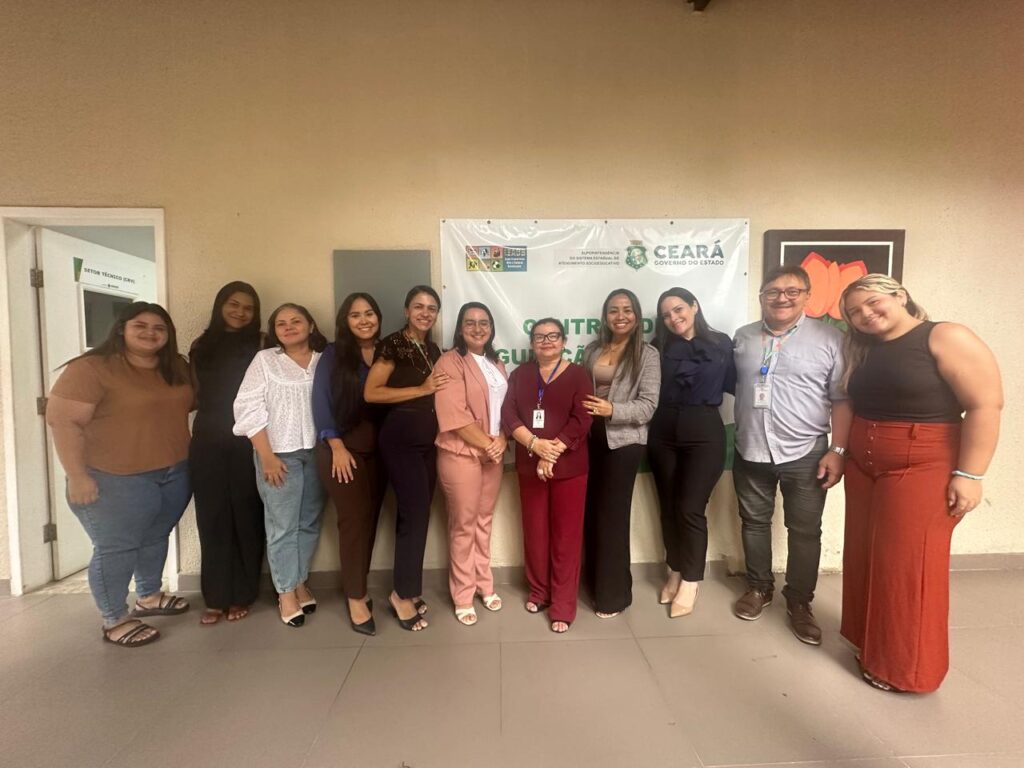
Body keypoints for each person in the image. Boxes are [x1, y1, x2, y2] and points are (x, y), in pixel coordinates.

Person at [839, 274, 1002, 692]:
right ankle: (870, 644)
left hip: (922, 464)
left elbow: (985, 404)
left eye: (873, 303)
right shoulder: (863, 348)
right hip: (865, 465)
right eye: (854, 312)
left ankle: (906, 671)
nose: (865, 314)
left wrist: (970, 475)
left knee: (909, 568)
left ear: (900, 296)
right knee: (866, 556)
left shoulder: (944, 336)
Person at [46, 302, 193, 647]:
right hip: (115, 476)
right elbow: (63, 422)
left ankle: (149, 595)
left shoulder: (175, 366)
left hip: (173, 470)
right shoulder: (91, 368)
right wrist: (77, 476)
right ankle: (114, 618)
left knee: (156, 535)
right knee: (116, 548)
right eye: (140, 325)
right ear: (121, 328)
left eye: (159, 328)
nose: (150, 333)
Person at [731, 265, 852, 645]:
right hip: (750, 447)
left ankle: (800, 601)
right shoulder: (743, 336)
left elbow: (842, 399)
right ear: (761, 296)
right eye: (773, 291)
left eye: (792, 291)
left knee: (804, 530)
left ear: (807, 295)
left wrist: (838, 450)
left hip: (806, 451)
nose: (781, 298)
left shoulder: (830, 339)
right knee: (754, 522)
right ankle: (759, 587)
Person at [233, 303, 327, 628]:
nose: (288, 327)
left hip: (316, 453)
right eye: (281, 323)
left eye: (296, 321)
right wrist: (267, 456)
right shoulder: (265, 360)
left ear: (310, 325)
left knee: (309, 522)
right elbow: (247, 407)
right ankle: (285, 592)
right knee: (282, 526)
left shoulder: (323, 361)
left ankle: (299, 581)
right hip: (278, 456)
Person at [647, 288, 735, 618]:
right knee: (669, 507)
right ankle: (674, 569)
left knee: (690, 508)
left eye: (679, 309)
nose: (673, 318)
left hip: (705, 431)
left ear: (694, 306)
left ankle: (692, 579)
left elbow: (735, 383)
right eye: (666, 315)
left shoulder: (722, 343)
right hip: (663, 430)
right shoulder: (657, 347)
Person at [502, 318, 593, 633]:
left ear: (564, 341)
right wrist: (535, 445)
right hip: (530, 464)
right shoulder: (520, 375)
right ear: (531, 343)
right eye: (539, 336)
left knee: (567, 537)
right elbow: (509, 414)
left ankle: (563, 605)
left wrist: (552, 450)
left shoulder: (579, 375)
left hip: (570, 467)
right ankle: (539, 591)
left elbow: (583, 417)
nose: (546, 341)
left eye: (553, 335)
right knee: (535, 532)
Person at [365, 285, 447, 632]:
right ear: (406, 311)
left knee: (418, 514)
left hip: (428, 441)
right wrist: (421, 389)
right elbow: (371, 392)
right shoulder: (393, 344)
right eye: (418, 306)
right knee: (414, 514)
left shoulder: (432, 348)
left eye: (431, 308)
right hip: (400, 440)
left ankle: (409, 589)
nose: (425, 313)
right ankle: (400, 595)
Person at [189, 281, 265, 625]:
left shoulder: (262, 343)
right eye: (234, 304)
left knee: (247, 516)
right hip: (207, 437)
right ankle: (215, 597)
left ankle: (242, 594)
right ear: (221, 305)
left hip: (249, 436)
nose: (240, 312)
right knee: (212, 516)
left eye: (248, 308)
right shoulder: (201, 345)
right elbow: (195, 393)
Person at [581, 289, 660, 618]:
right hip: (589, 438)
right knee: (590, 513)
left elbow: (648, 406)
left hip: (624, 442)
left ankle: (613, 596)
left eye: (627, 310)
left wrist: (612, 409)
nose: (620, 316)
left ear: (637, 316)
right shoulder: (592, 350)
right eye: (614, 310)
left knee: (612, 517)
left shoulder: (648, 355)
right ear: (605, 316)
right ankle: (592, 582)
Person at [312, 292, 387, 635]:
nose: (364, 320)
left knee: (369, 520)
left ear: (378, 317)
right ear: (345, 320)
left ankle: (360, 585)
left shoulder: (387, 351)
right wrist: (336, 445)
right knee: (354, 521)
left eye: (369, 313)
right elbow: (320, 401)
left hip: (381, 449)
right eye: (355, 315)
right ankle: (356, 598)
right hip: (343, 449)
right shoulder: (333, 354)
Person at [434, 302, 508, 626]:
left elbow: (506, 409)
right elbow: (454, 414)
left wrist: (502, 438)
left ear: (491, 327)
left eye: (484, 322)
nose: (478, 328)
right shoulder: (449, 362)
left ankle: (484, 584)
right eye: (470, 322)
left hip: (493, 453)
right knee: (463, 525)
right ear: (460, 328)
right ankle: (463, 594)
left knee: (484, 520)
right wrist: (489, 443)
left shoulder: (496, 362)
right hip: (460, 453)